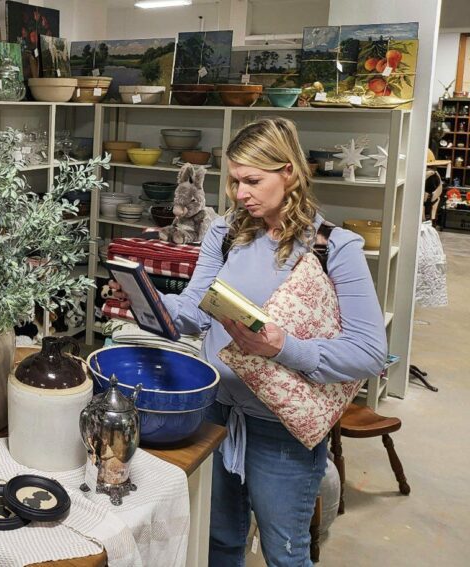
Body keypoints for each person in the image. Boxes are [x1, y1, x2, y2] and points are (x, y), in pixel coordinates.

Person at [160, 117, 386, 566]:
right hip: (213, 414)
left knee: (284, 552)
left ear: (289, 173)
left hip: (280, 428)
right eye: (233, 181)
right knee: (218, 542)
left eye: (252, 181)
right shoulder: (225, 236)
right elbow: (193, 311)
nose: (240, 193)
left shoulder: (332, 248)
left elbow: (369, 351)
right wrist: (152, 303)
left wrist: (283, 346)